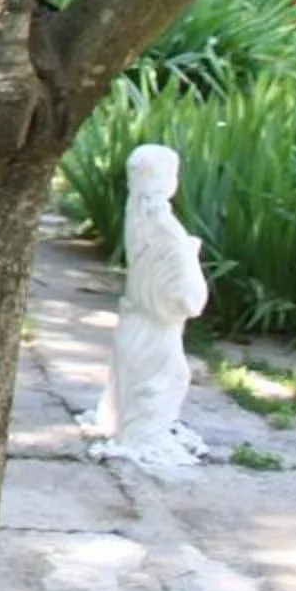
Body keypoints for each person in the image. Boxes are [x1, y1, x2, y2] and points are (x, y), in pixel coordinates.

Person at [93, 142, 209, 469]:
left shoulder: (138, 216)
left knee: (133, 372)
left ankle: (123, 418)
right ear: (169, 181)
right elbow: (189, 298)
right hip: (156, 322)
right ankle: (142, 433)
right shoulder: (166, 231)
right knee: (165, 378)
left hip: (137, 315)